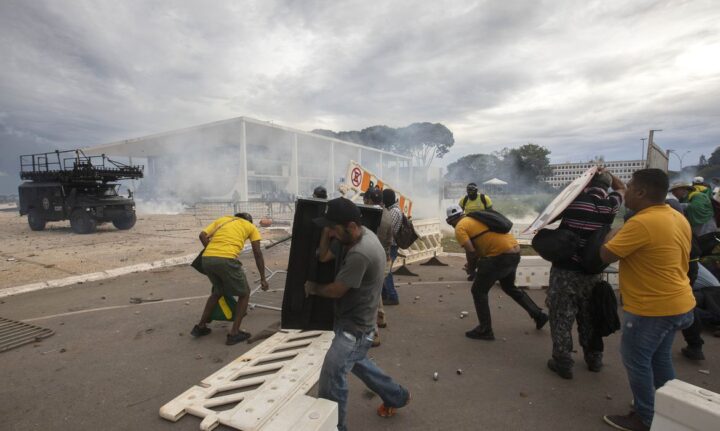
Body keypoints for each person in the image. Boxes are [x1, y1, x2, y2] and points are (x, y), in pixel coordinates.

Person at [600, 169, 696, 431]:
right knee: (659, 358)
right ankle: (667, 409)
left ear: (641, 192)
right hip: (680, 301)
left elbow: (606, 255)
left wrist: (613, 231)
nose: (627, 190)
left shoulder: (640, 223)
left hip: (652, 308)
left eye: (630, 186)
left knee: (636, 359)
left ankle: (645, 417)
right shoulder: (676, 217)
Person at [305, 197, 410, 431]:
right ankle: (397, 396)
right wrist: (327, 230)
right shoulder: (349, 237)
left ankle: (335, 427)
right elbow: (323, 256)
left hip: (355, 329)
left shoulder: (361, 252)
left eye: (333, 228)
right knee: (359, 364)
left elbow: (335, 290)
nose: (331, 233)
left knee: (332, 380)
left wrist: (313, 288)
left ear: (351, 226)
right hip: (350, 322)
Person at [546, 169, 625, 379]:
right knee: (590, 314)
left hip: (565, 269)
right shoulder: (612, 204)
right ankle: (594, 358)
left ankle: (562, 360)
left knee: (561, 315)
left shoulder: (574, 200)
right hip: (592, 270)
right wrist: (607, 173)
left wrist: (584, 178)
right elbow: (621, 188)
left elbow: (550, 213)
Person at [445, 204, 548, 340]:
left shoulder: (460, 227)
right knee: (509, 287)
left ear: (451, 220)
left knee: (478, 291)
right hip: (514, 252)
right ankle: (538, 315)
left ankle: (485, 329)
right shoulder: (476, 218)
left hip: (498, 257)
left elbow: (471, 252)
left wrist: (471, 268)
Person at [191, 213, 269, 345]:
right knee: (244, 293)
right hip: (226, 259)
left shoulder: (223, 219)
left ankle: (201, 327)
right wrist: (263, 278)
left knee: (217, 291)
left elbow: (202, 235)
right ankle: (234, 333)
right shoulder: (250, 226)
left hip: (207, 259)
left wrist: (212, 250)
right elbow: (257, 252)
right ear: (249, 221)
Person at [382, 188, 403, 306]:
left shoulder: (394, 211)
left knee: (387, 272)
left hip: (391, 246)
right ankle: (385, 294)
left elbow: (388, 228)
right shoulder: (391, 209)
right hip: (390, 245)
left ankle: (392, 296)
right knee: (384, 271)